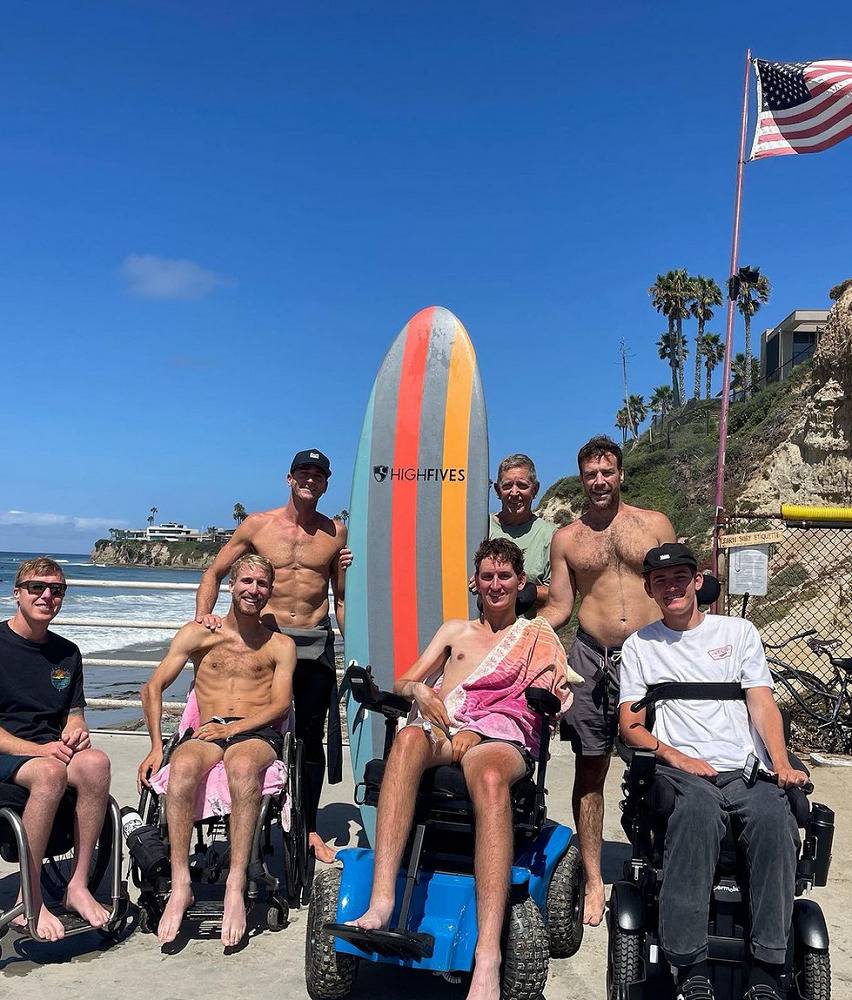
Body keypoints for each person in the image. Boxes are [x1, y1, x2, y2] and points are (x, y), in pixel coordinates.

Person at [347, 538, 580, 1000]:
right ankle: (382, 900)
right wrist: (419, 691)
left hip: (500, 737)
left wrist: (504, 718)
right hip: (445, 723)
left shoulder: (537, 637)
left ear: (520, 583)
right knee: (409, 738)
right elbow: (403, 679)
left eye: (504, 577)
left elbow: (553, 697)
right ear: (475, 582)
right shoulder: (454, 631)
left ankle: (489, 955)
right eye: (487, 577)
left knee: (491, 779)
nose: (495, 585)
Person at [619, 543, 807, 1000]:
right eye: (660, 581)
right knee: (697, 815)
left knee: (774, 818)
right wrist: (676, 757)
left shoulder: (739, 632)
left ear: (697, 581)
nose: (672, 587)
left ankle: (767, 968)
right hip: (681, 772)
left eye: (680, 577)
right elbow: (629, 724)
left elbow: (762, 703)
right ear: (649, 589)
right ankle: (690, 966)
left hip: (743, 768)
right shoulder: (640, 646)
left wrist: (780, 763)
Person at [542, 435, 675, 925]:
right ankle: (595, 876)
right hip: (591, 660)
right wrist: (515, 626)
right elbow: (560, 606)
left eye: (607, 472)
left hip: (652, 660)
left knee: (662, 767)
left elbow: (680, 588)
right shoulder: (567, 539)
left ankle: (664, 871)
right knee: (590, 768)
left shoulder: (654, 524)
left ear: (621, 474)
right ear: (582, 479)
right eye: (590, 474)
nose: (599, 481)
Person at [194, 448, 346, 864]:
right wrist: (204, 621)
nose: (310, 479)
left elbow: (341, 596)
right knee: (261, 730)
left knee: (311, 737)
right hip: (268, 643)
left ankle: (310, 826)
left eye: (318, 474)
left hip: (315, 644)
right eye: (303, 472)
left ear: (326, 483)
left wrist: (352, 651)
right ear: (289, 477)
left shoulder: (336, 532)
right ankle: (254, 808)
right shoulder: (258, 525)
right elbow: (214, 573)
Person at [139, 553, 296, 946]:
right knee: (183, 766)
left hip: (256, 733)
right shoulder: (198, 635)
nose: (253, 590)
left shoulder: (280, 645)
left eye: (262, 584)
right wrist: (158, 746)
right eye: (246, 581)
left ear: (270, 592)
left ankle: (235, 884)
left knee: (243, 766)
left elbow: (279, 705)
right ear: (230, 585)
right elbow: (152, 687)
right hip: (207, 731)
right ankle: (180, 885)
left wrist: (239, 727)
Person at [0, 557, 112, 941]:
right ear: (17, 593)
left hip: (47, 750)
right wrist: (38, 750)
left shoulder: (67, 653)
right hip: (9, 752)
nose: (47, 595)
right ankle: (28, 899)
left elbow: (74, 711)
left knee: (96, 763)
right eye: (37, 587)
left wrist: (77, 728)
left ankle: (76, 886)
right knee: (50, 772)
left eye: (57, 589)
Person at [471, 453, 557, 616]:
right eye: (507, 485)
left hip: (527, 634)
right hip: (480, 632)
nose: (514, 492)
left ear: (535, 489)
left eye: (522, 486)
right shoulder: (477, 527)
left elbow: (559, 595)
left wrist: (527, 591)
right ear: (497, 490)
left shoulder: (551, 536)